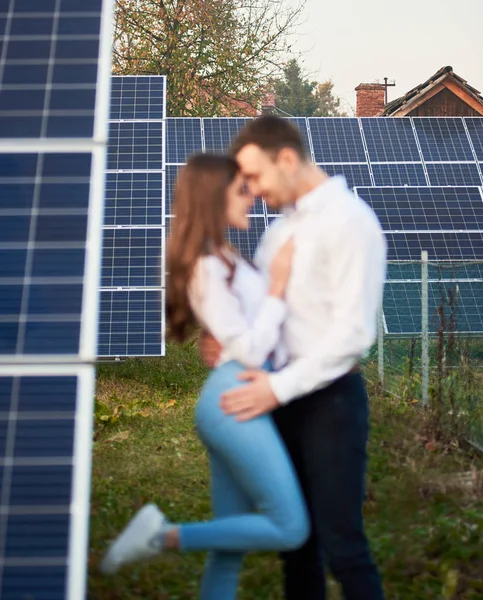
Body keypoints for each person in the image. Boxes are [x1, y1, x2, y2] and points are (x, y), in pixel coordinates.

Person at [100, 153, 309, 599]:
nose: (251, 197)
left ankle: (168, 539)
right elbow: (250, 349)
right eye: (240, 190)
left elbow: (248, 335)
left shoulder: (227, 257)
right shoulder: (206, 267)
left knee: (227, 549)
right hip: (234, 402)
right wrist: (276, 288)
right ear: (215, 199)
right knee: (290, 526)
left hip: (235, 394)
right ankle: (163, 536)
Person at [201, 115, 387, 600]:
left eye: (256, 176)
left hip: (330, 403)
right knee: (297, 545)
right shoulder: (278, 232)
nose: (253, 190)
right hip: (277, 398)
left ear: (287, 159)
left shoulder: (350, 222)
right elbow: (268, 307)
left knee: (344, 546)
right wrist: (228, 335)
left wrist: (275, 388)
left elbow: (353, 333)